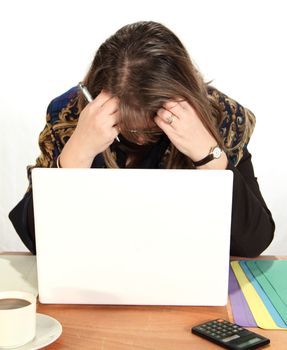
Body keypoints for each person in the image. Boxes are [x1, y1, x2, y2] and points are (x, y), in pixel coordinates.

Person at [9, 21, 274, 257]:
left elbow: (253, 243)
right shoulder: (72, 115)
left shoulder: (220, 116)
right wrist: (76, 154)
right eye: (123, 124)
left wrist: (209, 154)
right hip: (95, 274)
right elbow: (37, 242)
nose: (138, 138)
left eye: (154, 125)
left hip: (186, 276)